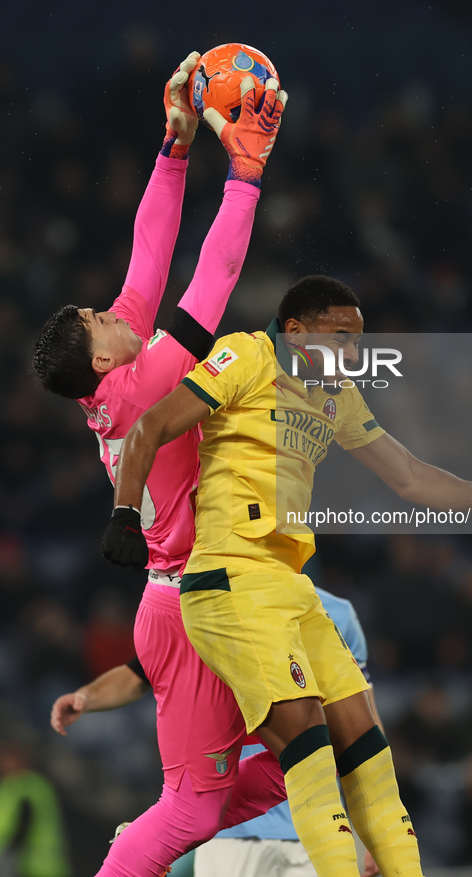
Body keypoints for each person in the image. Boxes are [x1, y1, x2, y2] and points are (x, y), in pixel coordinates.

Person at [103, 274, 472, 877]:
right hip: (229, 582)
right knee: (312, 756)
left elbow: (411, 477)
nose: (352, 351)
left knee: (370, 756)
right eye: (341, 336)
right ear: (295, 330)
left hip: (287, 585)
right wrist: (123, 513)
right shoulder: (247, 354)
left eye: (359, 340)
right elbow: (149, 426)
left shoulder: (337, 392)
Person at [33, 56, 288, 877]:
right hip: (184, 607)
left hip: (199, 596)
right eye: (100, 317)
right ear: (103, 361)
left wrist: (173, 148)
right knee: (191, 804)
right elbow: (211, 277)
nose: (114, 307)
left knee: (305, 749)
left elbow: (150, 250)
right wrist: (244, 176)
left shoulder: (114, 370)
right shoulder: (145, 380)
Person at [50, 587, 380, 877]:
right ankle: (149, 836)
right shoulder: (209, 599)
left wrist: (375, 823)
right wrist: (87, 697)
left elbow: (360, 720)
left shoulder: (336, 613)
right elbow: (142, 673)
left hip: (315, 823)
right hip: (230, 833)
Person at [0, 740, 71, 877]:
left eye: (5, 759)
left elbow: (16, 831)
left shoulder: (21, 788)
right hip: (47, 867)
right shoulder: (40, 785)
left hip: (28, 868)